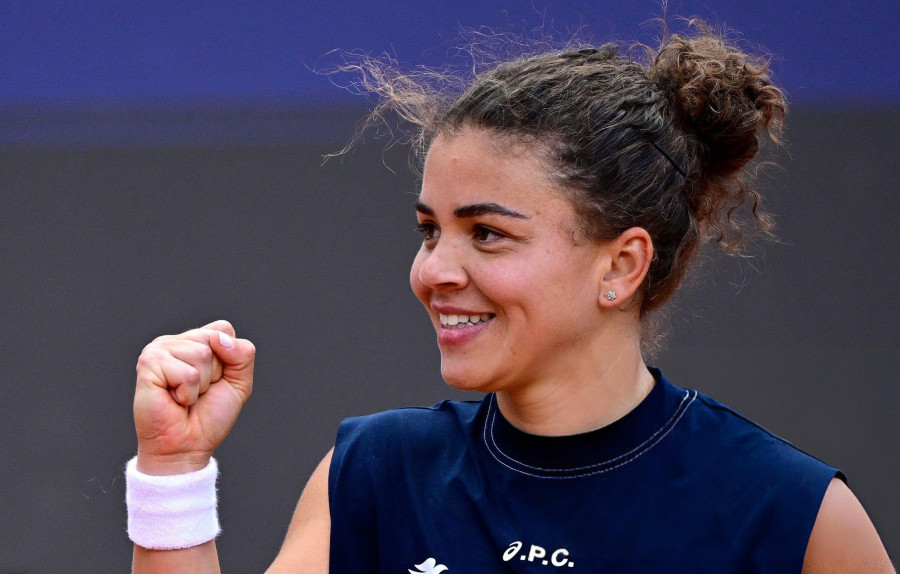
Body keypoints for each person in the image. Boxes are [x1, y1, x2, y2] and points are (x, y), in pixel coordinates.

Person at [126, 24, 893, 573]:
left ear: (622, 265)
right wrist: (173, 468)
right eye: (430, 231)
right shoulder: (375, 474)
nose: (434, 271)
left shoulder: (789, 512)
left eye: (487, 234)